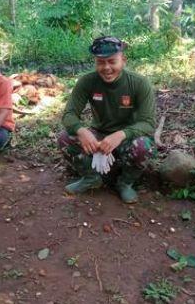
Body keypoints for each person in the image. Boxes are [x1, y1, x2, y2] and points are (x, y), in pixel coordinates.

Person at [58, 36, 156, 204]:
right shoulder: (87, 82)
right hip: (99, 135)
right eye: (100, 62)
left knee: (143, 147)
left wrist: (121, 135)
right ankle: (91, 177)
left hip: (127, 137)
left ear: (123, 60)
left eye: (112, 61)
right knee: (65, 138)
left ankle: (125, 183)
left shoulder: (139, 83)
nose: (106, 68)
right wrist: (82, 131)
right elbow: (69, 114)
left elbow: (148, 122)